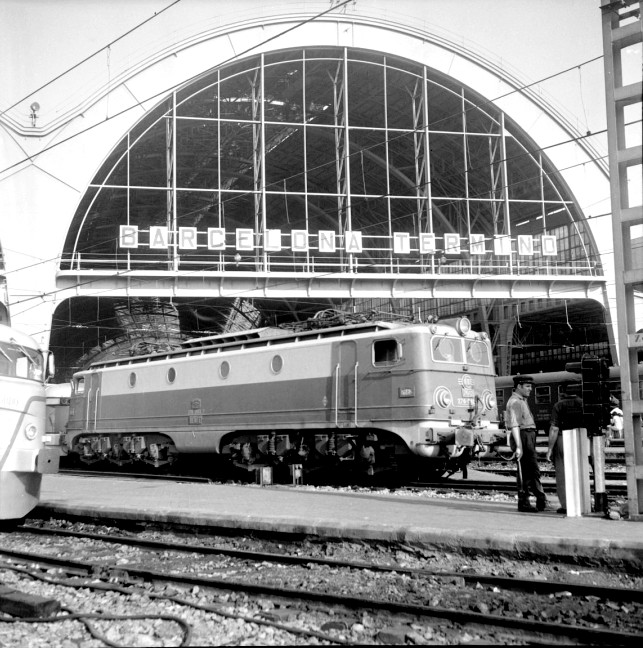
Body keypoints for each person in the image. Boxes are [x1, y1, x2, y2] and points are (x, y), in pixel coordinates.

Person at [505, 374, 548, 512]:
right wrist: (519, 446)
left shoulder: (522, 400)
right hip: (523, 436)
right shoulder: (516, 402)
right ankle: (524, 503)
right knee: (525, 471)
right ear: (519, 386)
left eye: (531, 386)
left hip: (528, 436)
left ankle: (540, 500)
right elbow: (515, 425)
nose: (530, 389)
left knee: (532, 470)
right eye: (527, 386)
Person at [546, 382, 584, 514]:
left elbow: (554, 429)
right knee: (582, 472)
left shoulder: (559, 405)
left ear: (564, 392)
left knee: (562, 474)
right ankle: (583, 503)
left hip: (563, 440)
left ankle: (566, 505)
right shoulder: (583, 404)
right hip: (581, 439)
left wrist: (550, 448)